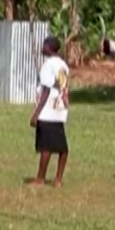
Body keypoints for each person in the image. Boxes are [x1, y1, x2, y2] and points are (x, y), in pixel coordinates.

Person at [29, 36, 71, 187]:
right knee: (61, 146)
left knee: (45, 146)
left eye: (44, 45)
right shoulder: (63, 65)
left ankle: (40, 178)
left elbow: (46, 90)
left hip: (47, 110)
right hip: (59, 108)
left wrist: (36, 113)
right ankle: (58, 179)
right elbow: (65, 87)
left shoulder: (48, 65)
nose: (42, 48)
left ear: (49, 47)